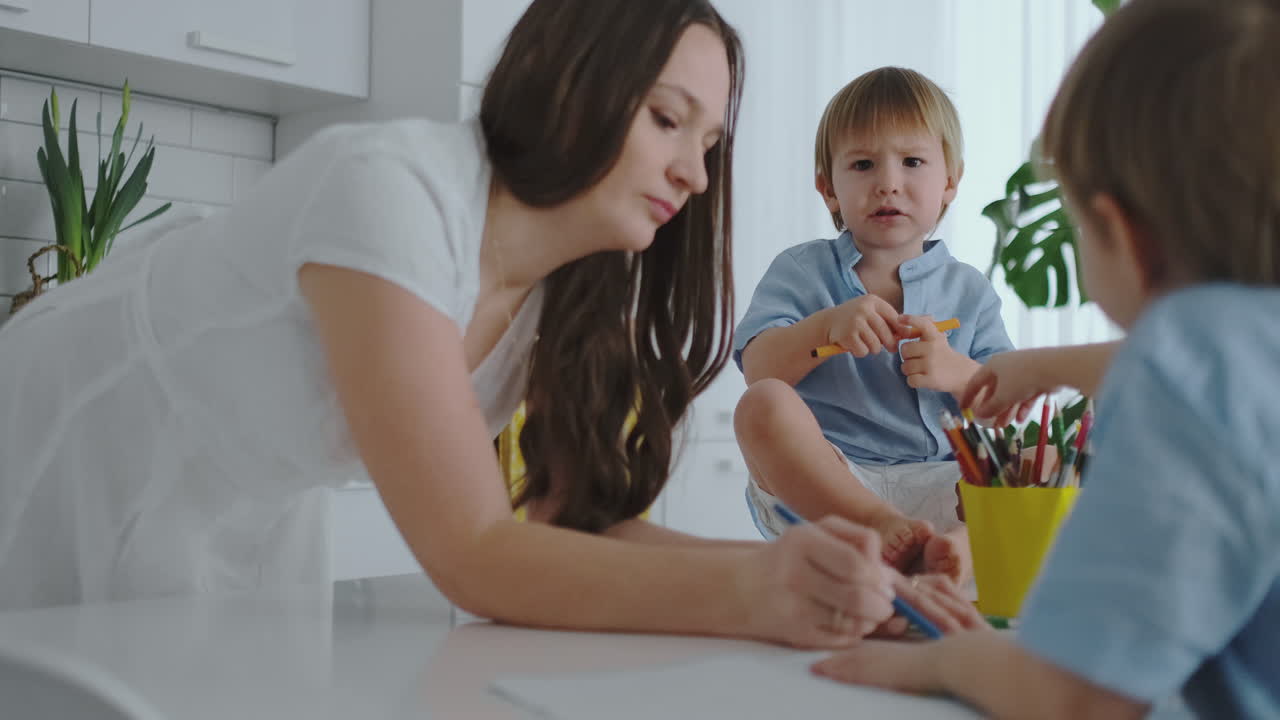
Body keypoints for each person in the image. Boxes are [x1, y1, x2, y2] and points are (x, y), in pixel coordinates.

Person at [0, 0, 977, 647]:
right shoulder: (391, 190)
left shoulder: (565, 289)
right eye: (666, 119)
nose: (693, 170)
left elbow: (569, 524)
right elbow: (473, 553)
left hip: (230, 518)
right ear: (576, 84)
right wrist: (763, 598)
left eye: (709, 141)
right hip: (55, 454)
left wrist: (815, 574)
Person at [811, 0, 1280, 717]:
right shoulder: (1235, 354)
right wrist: (1040, 369)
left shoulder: (1178, 379)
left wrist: (950, 660)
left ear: (1120, 234)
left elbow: (1076, 698)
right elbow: (1209, 366)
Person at [733, 67, 1013, 582]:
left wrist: (956, 373)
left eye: (912, 162)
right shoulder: (800, 270)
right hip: (834, 490)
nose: (888, 183)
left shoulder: (970, 289)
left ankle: (958, 550)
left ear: (949, 181)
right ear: (828, 189)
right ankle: (881, 530)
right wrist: (824, 329)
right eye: (863, 164)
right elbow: (758, 368)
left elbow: (1005, 409)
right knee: (761, 406)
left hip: (953, 488)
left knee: (1040, 452)